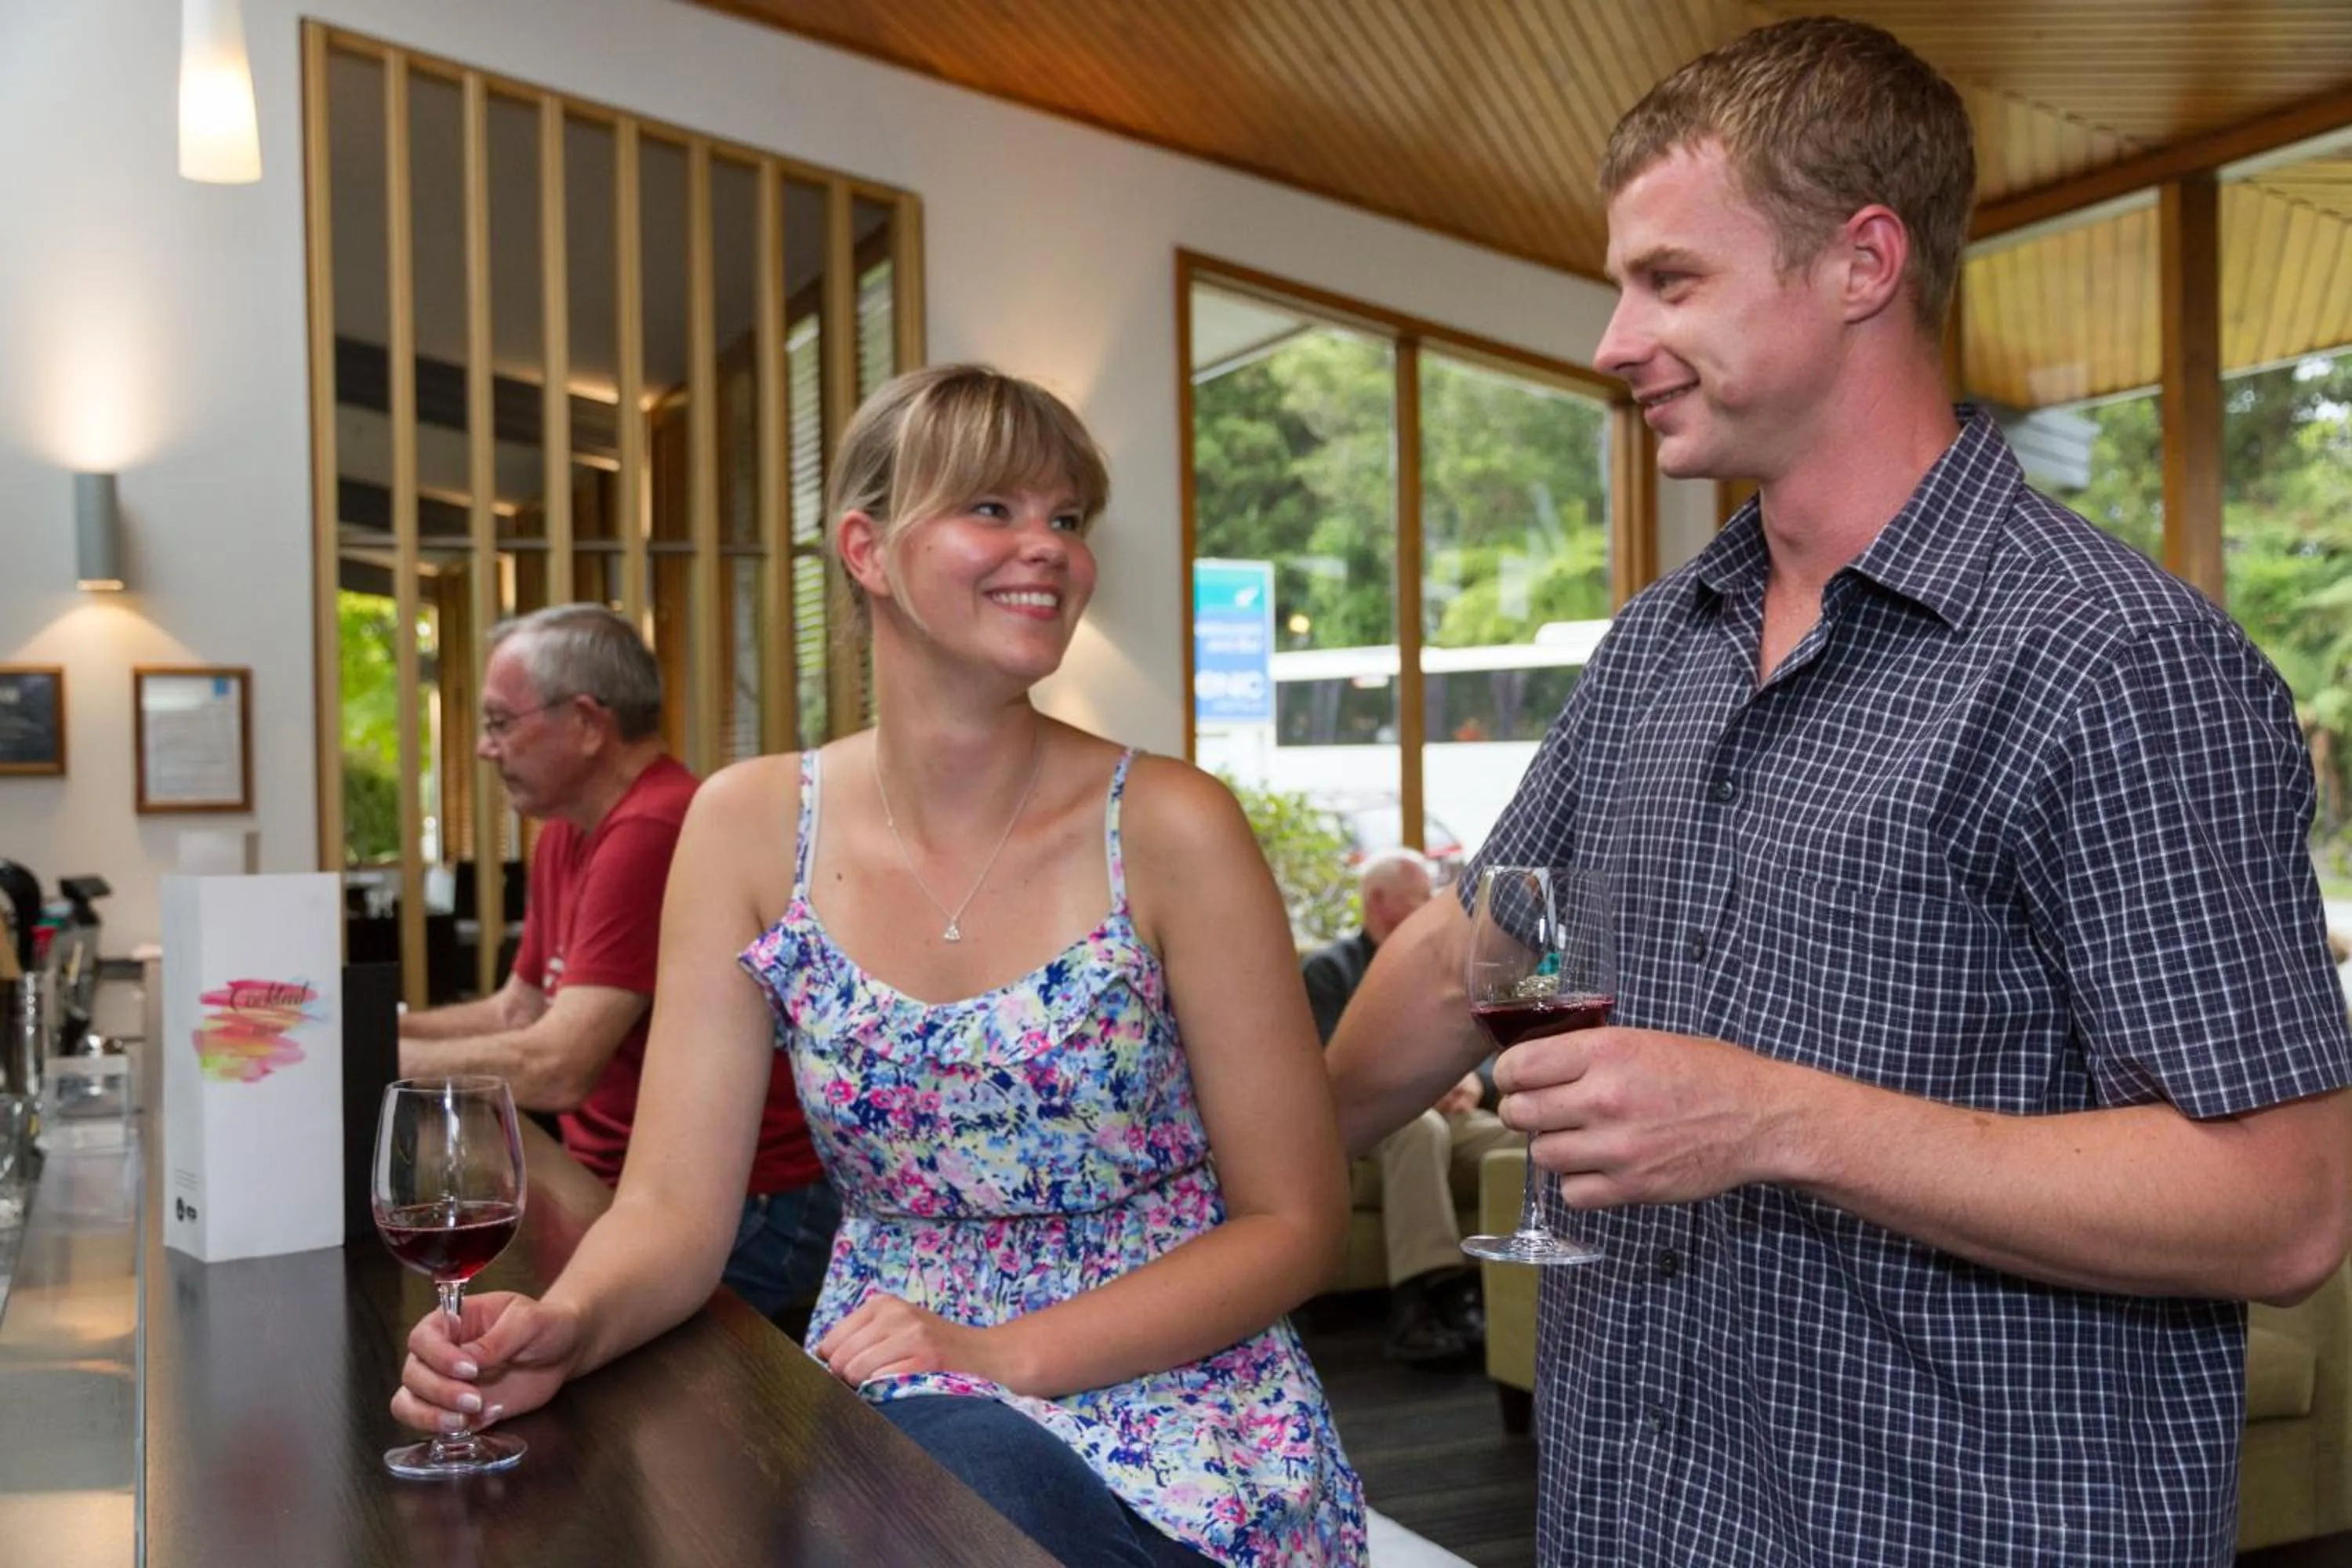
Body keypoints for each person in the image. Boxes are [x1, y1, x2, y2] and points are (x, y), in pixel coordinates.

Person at [1325, 16, 2352, 1565]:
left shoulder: (2120, 660)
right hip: (1641, 1511)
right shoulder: (1658, 642)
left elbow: (2283, 1208)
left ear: (1862, 262)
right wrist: (1242, 1158)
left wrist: (1771, 1118)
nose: (1612, 341)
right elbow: (1481, 940)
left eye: (1670, 280)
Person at [394, 367, 1365, 1566]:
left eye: (1068, 518)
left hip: (1189, 1420)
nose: (1048, 549)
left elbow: (1296, 1219)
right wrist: (563, 1326)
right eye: (994, 510)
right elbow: (675, 1211)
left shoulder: (1172, 825)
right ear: (865, 548)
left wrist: (1006, 1353)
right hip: (899, 1402)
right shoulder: (751, 827)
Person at [397, 604, 837, 1326]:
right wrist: (379, 1031)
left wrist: (367, 1058)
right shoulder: (570, 831)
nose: (484, 747)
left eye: (500, 722)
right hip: (615, 1185)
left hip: (749, 1209)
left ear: (586, 722)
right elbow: (520, 1010)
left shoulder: (657, 826)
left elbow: (560, 1065)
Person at [1304, 848, 1515, 1363]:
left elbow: (1491, 1041)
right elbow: (1332, 1070)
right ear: (1380, 902)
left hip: (1452, 1112)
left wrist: (1474, 1081)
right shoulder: (1328, 972)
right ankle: (1425, 1301)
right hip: (1380, 1124)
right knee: (1419, 1128)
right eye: (1421, 895)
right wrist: (1419, 1082)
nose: (1434, 905)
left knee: (1517, 1136)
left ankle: (1519, 1302)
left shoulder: (1447, 966)